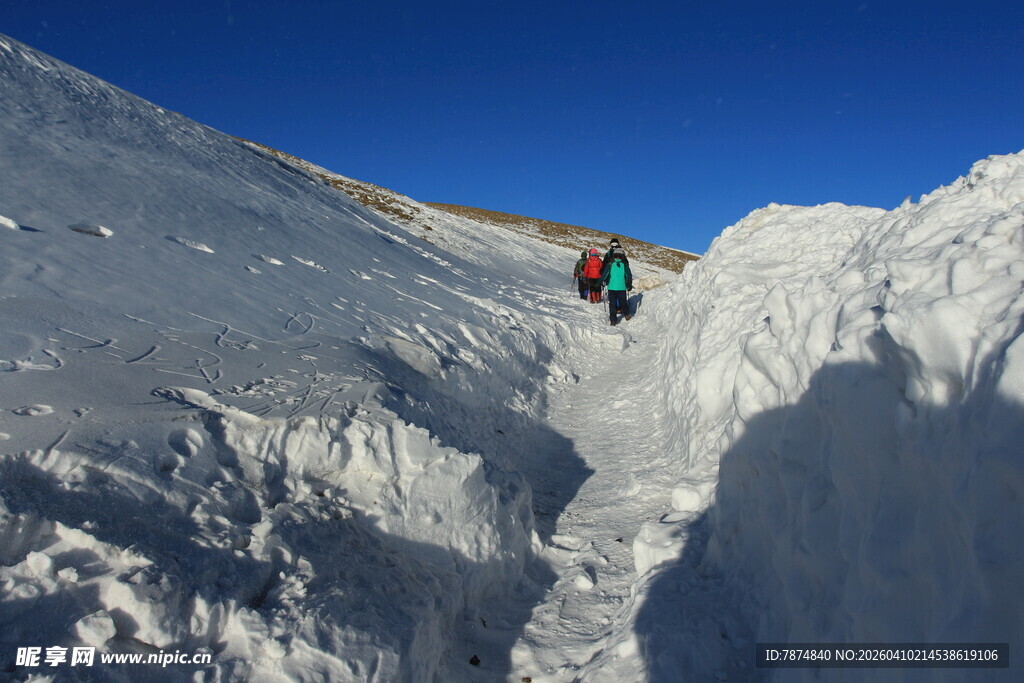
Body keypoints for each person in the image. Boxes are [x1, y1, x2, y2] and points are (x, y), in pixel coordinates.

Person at [601, 248, 633, 325]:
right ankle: (626, 314)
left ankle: (613, 320)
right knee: (623, 302)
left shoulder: (610, 264)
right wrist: (629, 285)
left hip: (611, 287)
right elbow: (628, 276)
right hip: (621, 287)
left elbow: (605, 274)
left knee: (612, 304)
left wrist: (601, 281)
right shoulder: (624, 265)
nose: (618, 257)